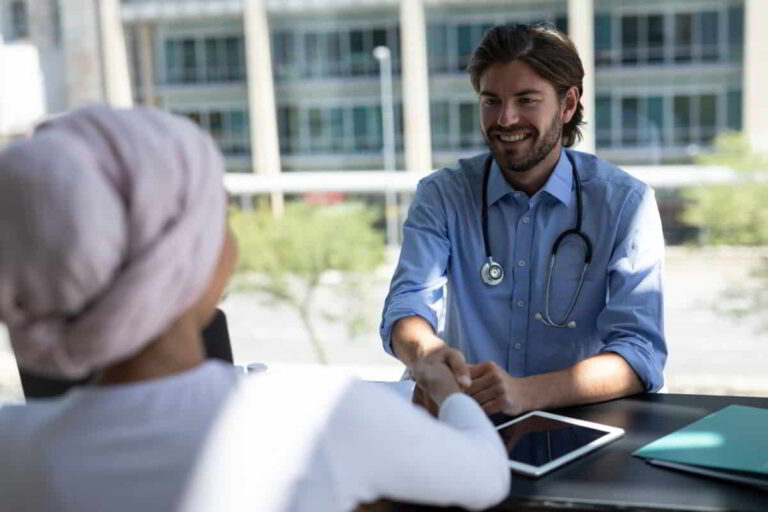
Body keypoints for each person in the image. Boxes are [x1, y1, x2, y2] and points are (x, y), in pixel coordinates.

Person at [0, 105, 509, 512]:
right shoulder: (312, 419)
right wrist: (447, 391)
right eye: (216, 214)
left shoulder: (13, 448)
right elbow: (486, 477)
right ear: (177, 258)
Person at [381, 24, 667, 417]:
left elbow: (640, 353)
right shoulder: (443, 195)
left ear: (567, 106)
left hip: (575, 420)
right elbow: (407, 303)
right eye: (491, 101)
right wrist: (426, 357)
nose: (506, 119)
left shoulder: (625, 204)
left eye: (526, 100)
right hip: (461, 417)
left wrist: (526, 393)